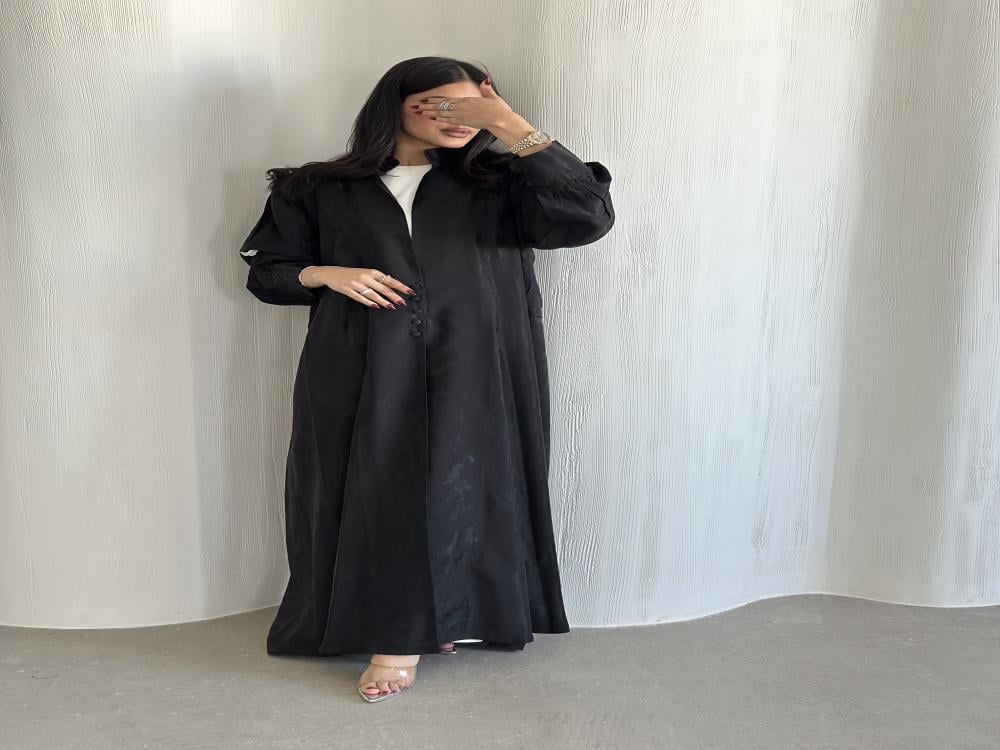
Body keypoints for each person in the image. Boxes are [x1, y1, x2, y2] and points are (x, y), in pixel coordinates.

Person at [237, 56, 615, 703]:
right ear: (396, 104)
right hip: (360, 363)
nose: (457, 118)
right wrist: (327, 273)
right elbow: (267, 270)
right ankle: (398, 632)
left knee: (465, 484)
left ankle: (442, 620)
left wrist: (508, 124)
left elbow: (589, 216)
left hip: (477, 362)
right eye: (439, 104)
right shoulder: (319, 187)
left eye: (471, 107)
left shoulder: (503, 184)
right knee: (377, 487)